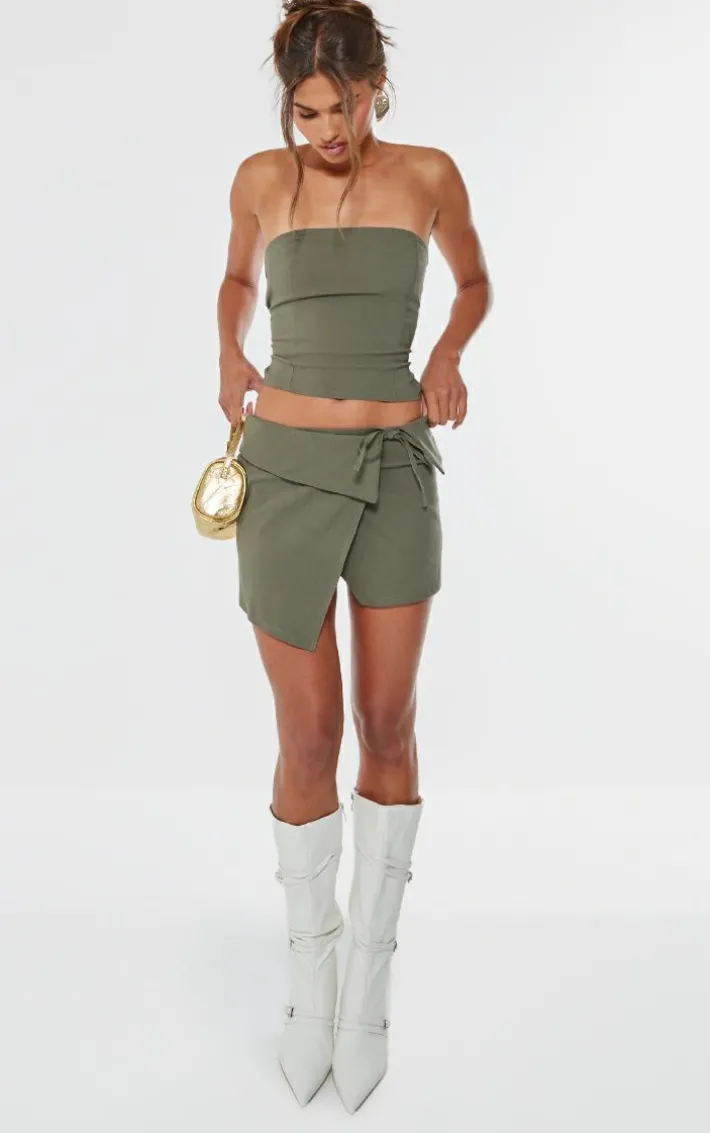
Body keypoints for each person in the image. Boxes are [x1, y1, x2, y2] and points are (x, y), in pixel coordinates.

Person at [216, 0, 491, 1113]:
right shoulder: (258, 179)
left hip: (393, 473)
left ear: (376, 86)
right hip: (283, 472)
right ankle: (310, 975)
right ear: (289, 105)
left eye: (344, 106)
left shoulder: (428, 174)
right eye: (308, 112)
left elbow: (475, 282)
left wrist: (448, 352)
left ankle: (368, 980)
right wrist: (224, 345)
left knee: (386, 720)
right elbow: (239, 280)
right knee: (307, 732)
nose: (328, 131)